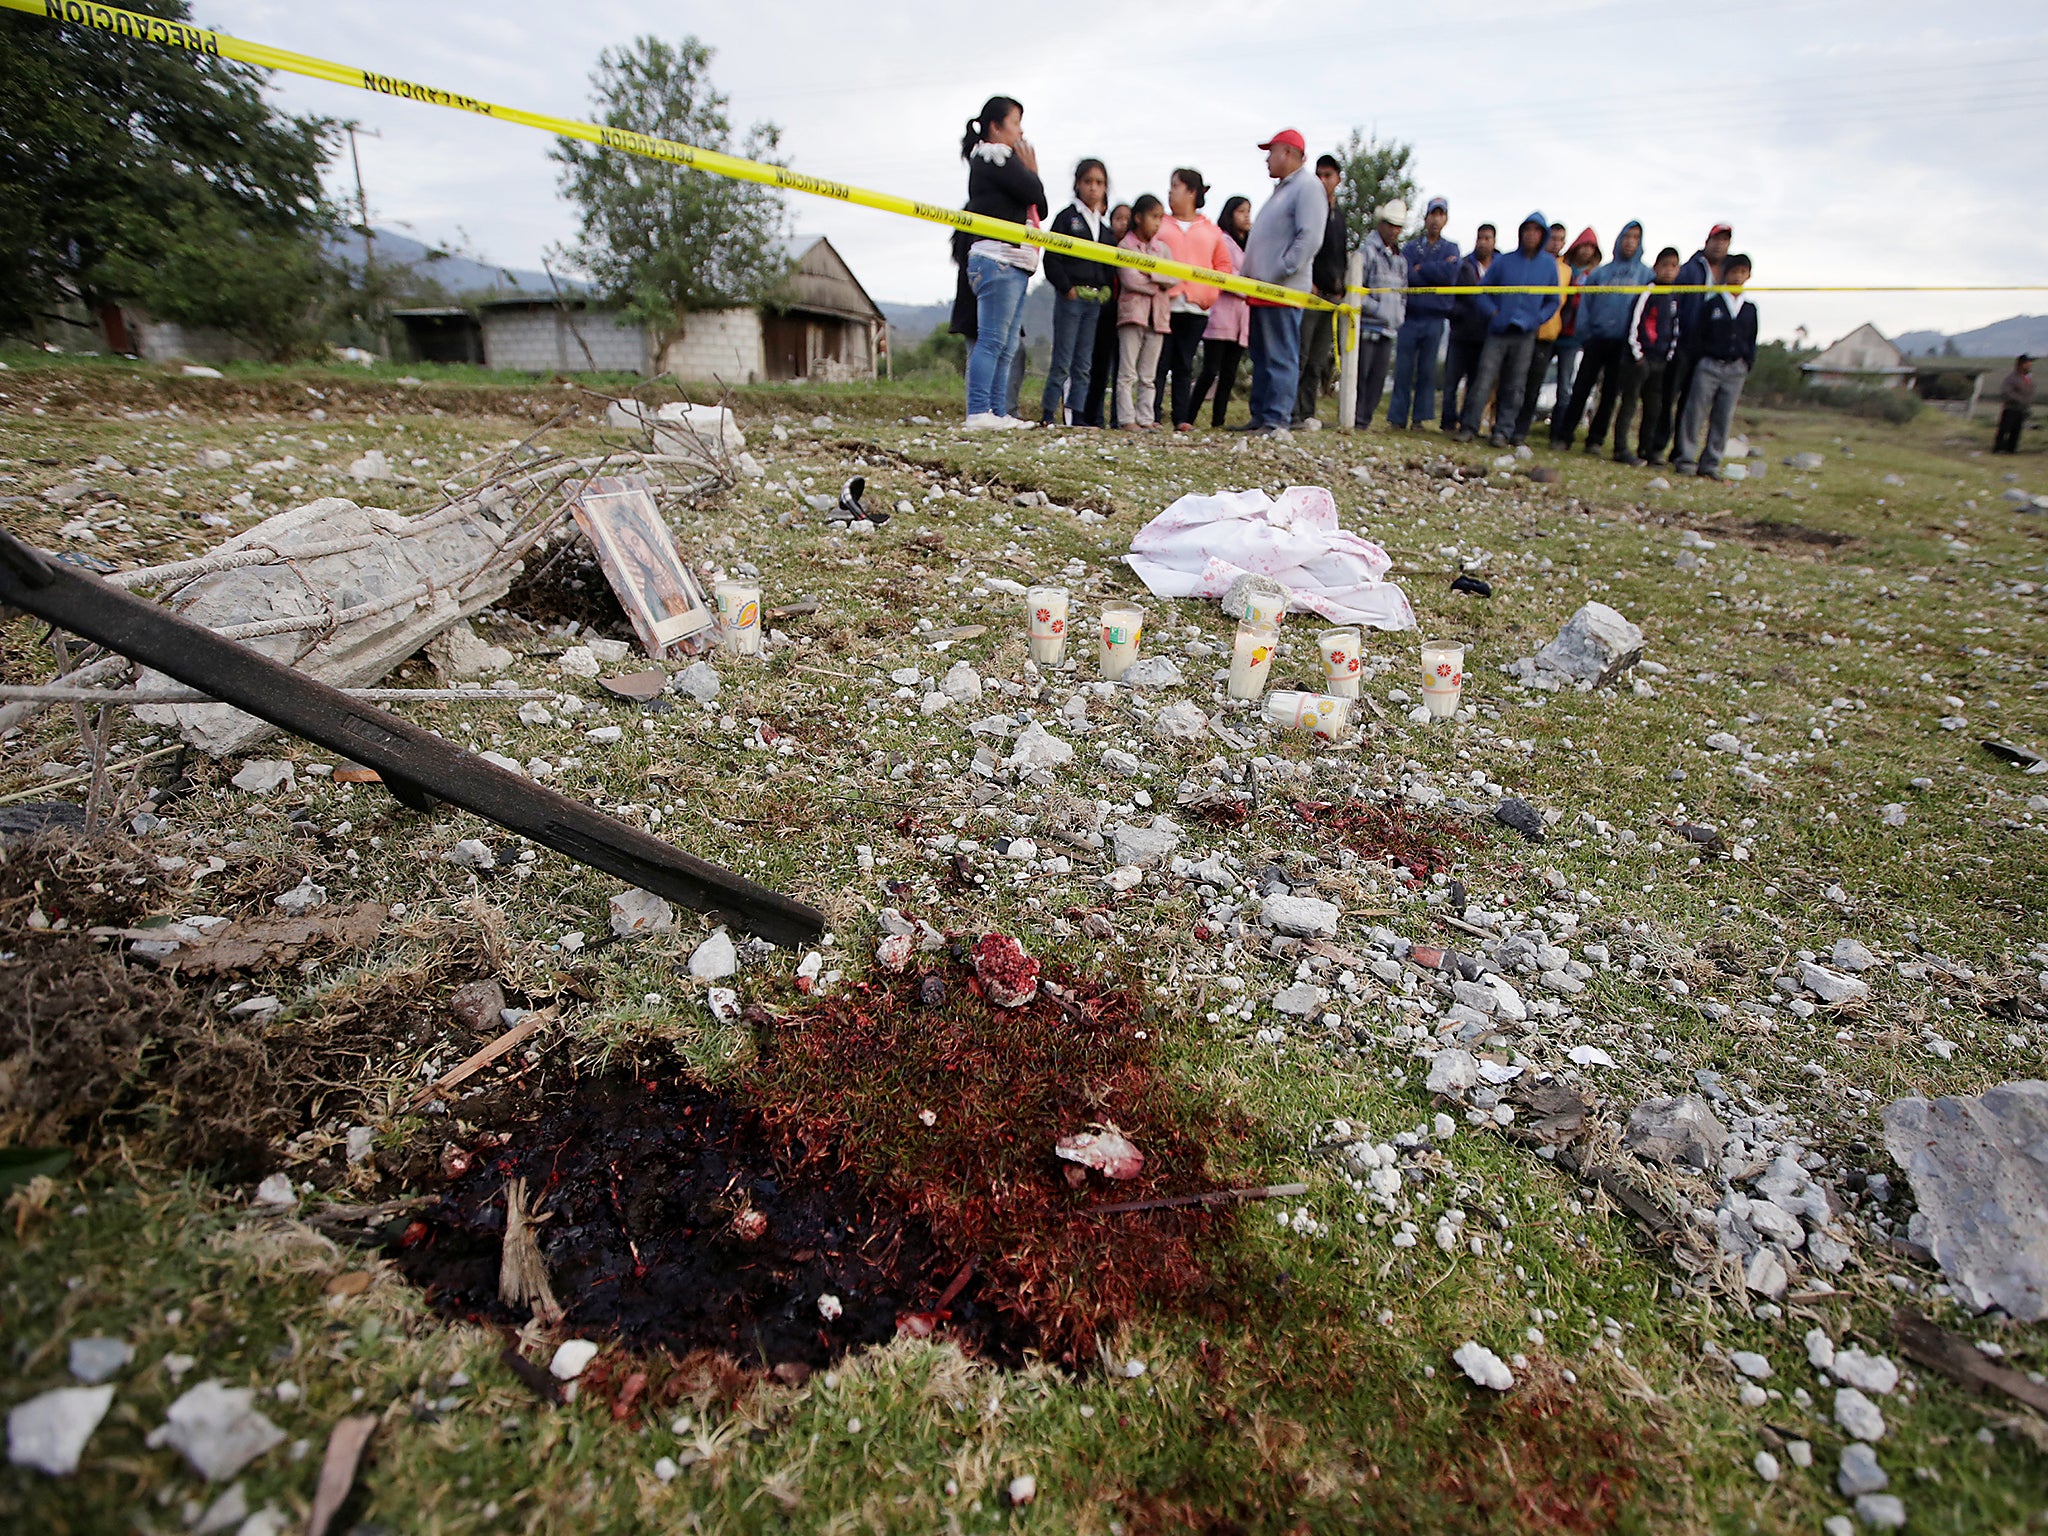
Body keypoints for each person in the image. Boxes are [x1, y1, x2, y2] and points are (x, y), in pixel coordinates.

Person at [953, 96, 1046, 429]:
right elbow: (1035, 190)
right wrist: (1032, 171)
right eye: (1016, 123)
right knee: (991, 339)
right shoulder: (993, 158)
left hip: (1014, 262)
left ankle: (996, 411)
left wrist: (1032, 178)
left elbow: (1039, 203)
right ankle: (978, 410)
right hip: (996, 260)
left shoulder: (1000, 162)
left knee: (1006, 344)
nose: (1021, 132)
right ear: (996, 126)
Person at [1239, 129, 1325, 433]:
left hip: (1282, 290)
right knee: (1263, 356)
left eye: (1271, 151)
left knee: (1280, 355)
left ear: (1288, 153)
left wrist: (1281, 269)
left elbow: (1310, 237)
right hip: (1264, 290)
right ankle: (1262, 415)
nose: (1267, 158)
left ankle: (1276, 418)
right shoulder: (1284, 189)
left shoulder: (1308, 187)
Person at [1454, 211, 1560, 445]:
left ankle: (1502, 431)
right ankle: (1469, 426)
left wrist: (1536, 319)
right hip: (1498, 332)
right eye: (1527, 230)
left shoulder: (1548, 266)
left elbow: (1553, 301)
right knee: (1483, 379)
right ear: (1521, 232)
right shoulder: (1504, 261)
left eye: (1536, 230)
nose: (1531, 235)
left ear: (1542, 234)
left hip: (1525, 334)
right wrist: (1494, 313)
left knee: (1515, 385)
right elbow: (1483, 293)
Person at [1553, 220, 1647, 452]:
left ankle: (1595, 439)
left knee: (1610, 394)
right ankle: (1564, 434)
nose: (1630, 242)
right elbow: (1585, 304)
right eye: (1627, 236)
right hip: (1596, 339)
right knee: (1581, 387)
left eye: (1635, 237)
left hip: (1624, 343)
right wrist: (1584, 333)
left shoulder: (1646, 275)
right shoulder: (1601, 273)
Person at [1153, 168, 1233, 430]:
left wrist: (1210, 293)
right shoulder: (1160, 224)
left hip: (1197, 308)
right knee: (1159, 361)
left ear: (1191, 191)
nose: (1170, 191)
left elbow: (1223, 267)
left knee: (1184, 364)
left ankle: (1182, 418)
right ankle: (1151, 415)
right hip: (1165, 303)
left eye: (1175, 185)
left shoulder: (1211, 230)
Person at [1040, 159, 1116, 426]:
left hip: (1094, 302)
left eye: (1099, 183)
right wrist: (1067, 288)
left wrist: (1106, 288)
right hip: (1072, 299)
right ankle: (1049, 414)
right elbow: (1051, 259)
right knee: (1062, 360)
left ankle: (1078, 415)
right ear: (1078, 184)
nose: (1093, 188)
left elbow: (1109, 264)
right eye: (1088, 182)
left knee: (1084, 363)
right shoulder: (1067, 218)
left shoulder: (1103, 228)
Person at [1654, 222, 1732, 461]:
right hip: (1683, 344)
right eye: (1716, 239)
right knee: (1668, 398)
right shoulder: (1691, 269)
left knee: (1692, 406)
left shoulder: (1730, 271)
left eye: (1725, 239)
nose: (1719, 244)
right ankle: (1657, 448)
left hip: (1708, 349)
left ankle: (1680, 453)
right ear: (1707, 241)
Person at [1675, 254, 1756, 479]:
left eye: (1742, 272)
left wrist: (1746, 362)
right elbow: (1698, 335)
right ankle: (1686, 458)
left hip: (1735, 369)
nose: (1737, 276)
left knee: (1723, 416)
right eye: (1733, 272)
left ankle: (1711, 462)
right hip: (1709, 364)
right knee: (1695, 413)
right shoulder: (1713, 304)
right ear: (1725, 274)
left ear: (1748, 275)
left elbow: (1751, 339)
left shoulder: (1749, 308)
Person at [1389, 195, 1459, 430]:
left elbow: (1449, 275)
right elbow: (1408, 274)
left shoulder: (1451, 248)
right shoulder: (1411, 247)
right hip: (1410, 315)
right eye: (1433, 214)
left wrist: (1425, 268)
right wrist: (1427, 271)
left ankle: (1420, 419)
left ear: (1446, 219)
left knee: (1427, 372)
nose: (1436, 220)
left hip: (1435, 318)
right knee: (1403, 369)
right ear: (1426, 217)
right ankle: (1397, 418)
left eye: (1441, 215)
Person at [1293, 154, 1348, 424]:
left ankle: (1307, 411)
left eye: (1328, 175)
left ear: (1338, 179)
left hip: (1333, 297)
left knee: (1317, 359)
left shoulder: (1339, 216)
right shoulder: (1311, 208)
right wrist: (1309, 281)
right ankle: (1288, 409)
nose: (1323, 180)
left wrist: (1343, 286)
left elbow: (1340, 254)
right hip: (1310, 293)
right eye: (1319, 175)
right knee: (1300, 355)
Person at [1619, 245, 1683, 466]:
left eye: (1673, 266)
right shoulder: (1648, 291)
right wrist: (1638, 354)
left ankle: (1647, 450)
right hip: (1640, 359)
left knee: (1654, 408)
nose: (1668, 270)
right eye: (1664, 266)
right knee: (1629, 404)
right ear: (1656, 267)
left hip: (1660, 360)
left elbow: (1675, 326)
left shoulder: (1674, 296)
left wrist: (1669, 355)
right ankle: (1621, 448)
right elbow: (1635, 323)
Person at [1114, 195, 1173, 430]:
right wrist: (1158, 280)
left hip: (1157, 317)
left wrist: (1150, 273)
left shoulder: (1163, 249)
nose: (1157, 223)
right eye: (1153, 217)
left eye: (1161, 218)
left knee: (1149, 374)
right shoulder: (1125, 246)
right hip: (1132, 314)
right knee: (1127, 372)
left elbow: (1173, 277)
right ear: (1138, 218)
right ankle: (1126, 419)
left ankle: (1146, 418)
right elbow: (1130, 279)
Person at [1193, 195, 1253, 427]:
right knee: (1209, 371)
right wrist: (1247, 287)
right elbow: (1227, 276)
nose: (1247, 216)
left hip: (1241, 320)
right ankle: (1189, 416)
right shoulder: (1222, 240)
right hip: (1221, 316)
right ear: (1230, 214)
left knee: (1229, 374)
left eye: (1249, 211)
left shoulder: (1251, 244)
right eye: (1241, 211)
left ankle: (1219, 421)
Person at [1351, 200, 1408, 428]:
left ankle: (1364, 420)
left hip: (1389, 329)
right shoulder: (1366, 252)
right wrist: (1380, 310)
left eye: (1398, 226)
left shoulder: (1400, 260)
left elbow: (1403, 293)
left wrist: (1398, 315)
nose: (1394, 231)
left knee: (1377, 379)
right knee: (1361, 378)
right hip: (1367, 327)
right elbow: (1357, 291)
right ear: (1382, 224)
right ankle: (1354, 418)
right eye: (1391, 225)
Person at [1438, 223, 1496, 431]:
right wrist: (1457, 314)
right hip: (1460, 333)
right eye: (1480, 237)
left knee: (1476, 384)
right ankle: (1447, 421)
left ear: (1494, 241)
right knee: (1451, 382)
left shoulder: (1499, 267)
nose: (1482, 242)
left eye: (1487, 238)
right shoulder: (1463, 265)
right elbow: (1449, 296)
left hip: (1485, 336)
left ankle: (1467, 422)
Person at [1080, 203, 1132, 427]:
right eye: (1118, 218)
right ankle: (1094, 416)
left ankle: (1118, 418)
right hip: (1105, 313)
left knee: (1123, 369)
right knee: (1099, 367)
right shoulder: (1104, 242)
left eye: (1127, 218)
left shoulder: (1136, 249)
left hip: (1128, 315)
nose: (1122, 222)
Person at [1994, 355, 2034, 453]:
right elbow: (2006, 392)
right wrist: (2019, 399)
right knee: (2005, 429)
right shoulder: (2012, 378)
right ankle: (1999, 448)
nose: (2030, 365)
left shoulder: (2027, 378)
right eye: (2027, 363)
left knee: (2016, 430)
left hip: (2022, 409)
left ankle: (2011, 449)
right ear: (2021, 364)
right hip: (2011, 408)